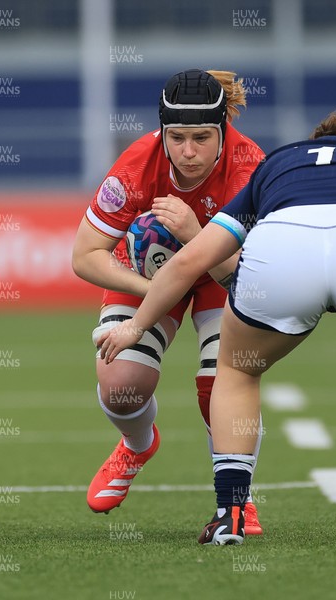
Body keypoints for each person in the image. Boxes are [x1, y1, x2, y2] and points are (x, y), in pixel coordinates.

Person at [97, 104, 336, 545]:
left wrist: (136, 326)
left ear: (314, 140)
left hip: (286, 256)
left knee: (235, 371)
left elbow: (194, 258)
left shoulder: (278, 162)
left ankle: (230, 512)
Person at [72, 68, 266, 534]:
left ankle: (238, 497)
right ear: (162, 131)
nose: (188, 151)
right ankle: (137, 444)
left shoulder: (250, 167)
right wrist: (161, 290)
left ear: (223, 130)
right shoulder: (138, 163)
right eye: (176, 137)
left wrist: (196, 236)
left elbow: (250, 275)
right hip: (147, 276)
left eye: (202, 137)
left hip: (223, 275)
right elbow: (84, 256)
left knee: (224, 375)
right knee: (122, 385)